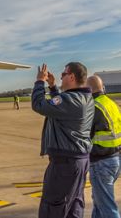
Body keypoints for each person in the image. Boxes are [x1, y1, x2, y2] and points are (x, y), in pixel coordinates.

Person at [31, 63, 93, 218]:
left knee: (53, 208)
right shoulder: (84, 98)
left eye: (63, 74)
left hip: (65, 165)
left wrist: (39, 82)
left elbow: (39, 105)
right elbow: (59, 107)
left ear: (71, 77)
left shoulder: (71, 100)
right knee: (73, 206)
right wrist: (52, 87)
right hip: (78, 161)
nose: (60, 77)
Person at [87, 74, 121, 218]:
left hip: (101, 163)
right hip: (115, 159)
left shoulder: (94, 107)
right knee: (99, 204)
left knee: (107, 208)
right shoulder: (110, 103)